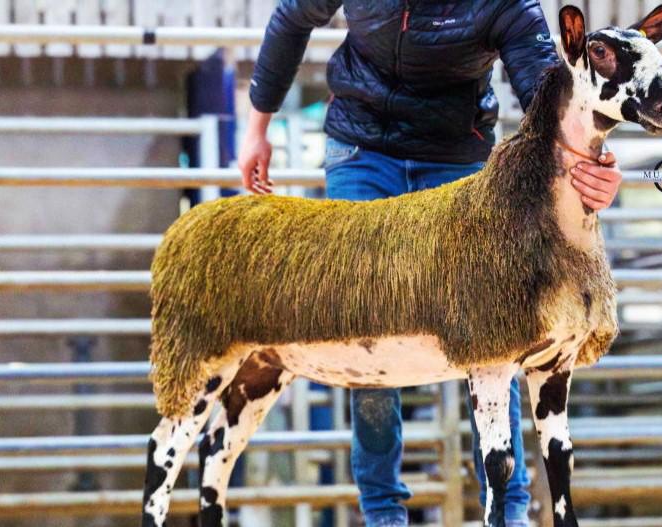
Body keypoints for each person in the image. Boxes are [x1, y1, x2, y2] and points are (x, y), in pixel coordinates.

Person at [238, 1, 623, 525]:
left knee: (497, 329)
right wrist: (256, 127)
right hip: (362, 146)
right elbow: (291, 19)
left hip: (457, 159)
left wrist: (591, 165)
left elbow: (545, 96)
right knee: (366, 325)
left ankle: (508, 510)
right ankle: (382, 513)